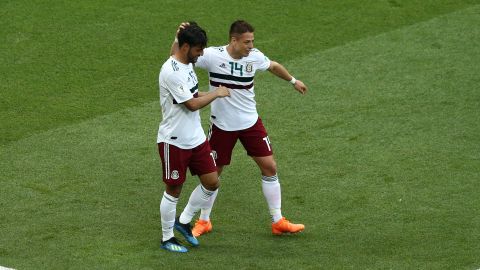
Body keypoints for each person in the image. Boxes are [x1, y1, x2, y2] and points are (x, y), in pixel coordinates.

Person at [188, 20, 308, 236]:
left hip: (250, 123)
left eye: (252, 41)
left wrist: (293, 80)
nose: (251, 46)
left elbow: (272, 66)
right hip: (222, 126)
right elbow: (182, 59)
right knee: (213, 175)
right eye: (247, 42)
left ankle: (278, 220)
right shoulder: (212, 56)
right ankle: (204, 220)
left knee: (269, 167)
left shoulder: (254, 57)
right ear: (234, 40)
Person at [157, 22, 230, 253]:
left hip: (196, 138)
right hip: (174, 140)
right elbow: (190, 104)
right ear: (186, 47)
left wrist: (177, 35)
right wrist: (216, 93)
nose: (200, 55)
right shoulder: (170, 71)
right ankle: (167, 237)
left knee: (212, 182)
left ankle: (184, 221)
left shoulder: (185, 61)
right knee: (174, 189)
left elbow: (193, 92)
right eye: (198, 50)